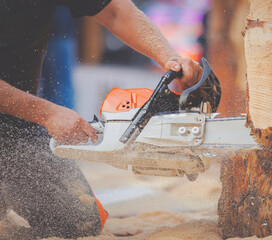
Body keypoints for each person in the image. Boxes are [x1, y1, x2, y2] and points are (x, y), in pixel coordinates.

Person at [0, 0, 202, 238]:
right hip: (22, 115)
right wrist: (47, 113)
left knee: (78, 221)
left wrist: (171, 60)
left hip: (16, 124)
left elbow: (116, 11)